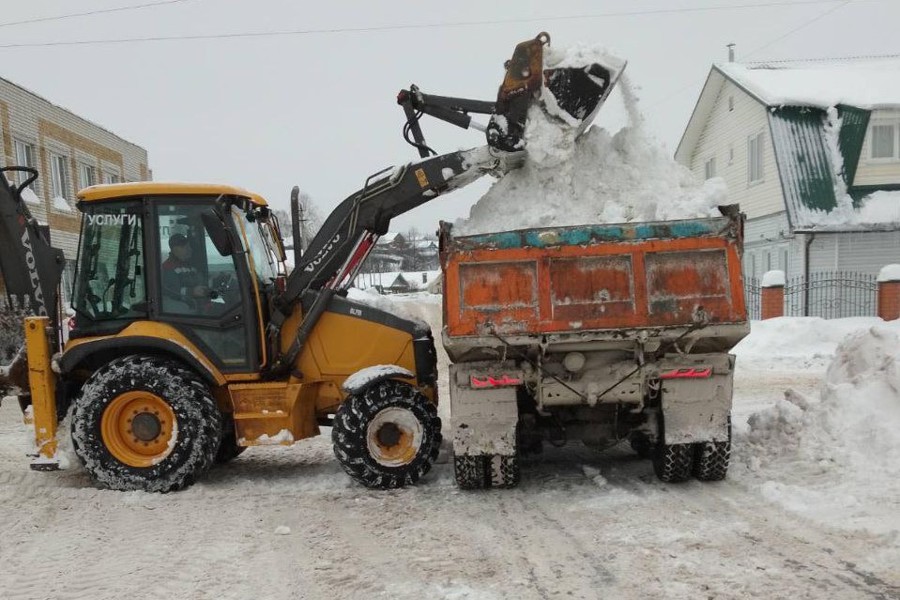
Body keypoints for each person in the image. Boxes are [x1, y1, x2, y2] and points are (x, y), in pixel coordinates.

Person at [161, 233, 208, 308]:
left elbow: (200, 281)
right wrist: (192, 292)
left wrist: (214, 281)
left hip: (199, 305)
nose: (190, 250)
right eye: (186, 247)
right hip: (184, 310)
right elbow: (171, 292)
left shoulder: (190, 267)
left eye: (189, 247)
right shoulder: (167, 268)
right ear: (175, 249)